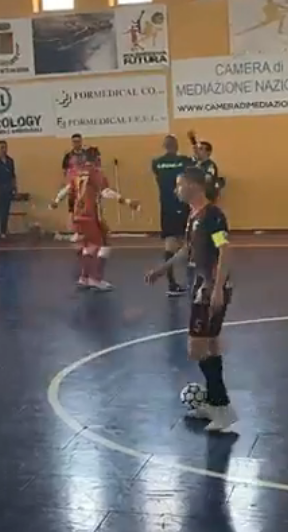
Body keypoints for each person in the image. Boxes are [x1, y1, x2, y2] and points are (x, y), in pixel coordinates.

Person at [145, 167, 237, 433]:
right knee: (210, 344)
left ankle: (221, 407)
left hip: (210, 287)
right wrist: (163, 269)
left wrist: (217, 288)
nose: (176, 190)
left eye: (179, 184)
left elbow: (224, 250)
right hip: (201, 284)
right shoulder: (193, 216)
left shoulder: (213, 216)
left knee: (197, 348)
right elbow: (189, 249)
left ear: (194, 186)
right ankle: (217, 404)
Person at [51, 146, 139, 291]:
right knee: (104, 245)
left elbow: (66, 190)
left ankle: (84, 277)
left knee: (88, 246)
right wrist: (126, 201)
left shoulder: (77, 174)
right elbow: (105, 192)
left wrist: (56, 201)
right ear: (96, 158)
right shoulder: (96, 173)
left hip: (78, 215)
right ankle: (96, 279)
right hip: (91, 215)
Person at [152, 135, 196, 296]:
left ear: (164, 146)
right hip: (182, 205)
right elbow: (196, 166)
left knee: (171, 242)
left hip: (166, 207)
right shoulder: (184, 161)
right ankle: (196, 274)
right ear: (176, 146)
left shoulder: (156, 163)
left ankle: (172, 283)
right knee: (188, 239)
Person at [189, 131, 224, 201]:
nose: (198, 151)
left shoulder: (210, 166)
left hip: (206, 199)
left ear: (208, 152)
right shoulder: (195, 163)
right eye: (198, 149)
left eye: (201, 149)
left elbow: (207, 181)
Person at [61, 133, 85, 213]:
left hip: (85, 183)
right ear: (72, 143)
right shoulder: (68, 156)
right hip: (72, 183)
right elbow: (64, 171)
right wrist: (67, 181)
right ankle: (72, 213)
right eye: (74, 142)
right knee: (71, 201)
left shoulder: (87, 155)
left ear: (81, 142)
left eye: (78, 141)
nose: (76, 144)